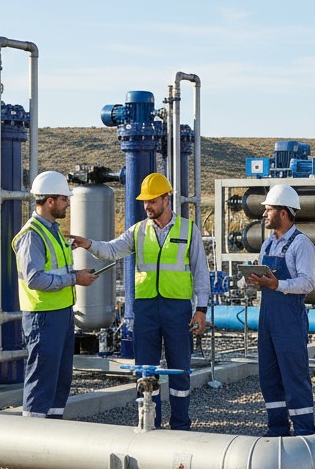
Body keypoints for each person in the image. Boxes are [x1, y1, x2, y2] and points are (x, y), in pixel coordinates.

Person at [70, 172, 208, 431]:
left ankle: (181, 427)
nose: (147, 206)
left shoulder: (189, 230)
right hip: (145, 311)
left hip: (177, 310)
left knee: (180, 370)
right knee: (146, 371)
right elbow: (112, 249)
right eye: (145, 202)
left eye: (152, 201)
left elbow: (201, 272)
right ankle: (149, 424)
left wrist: (200, 310)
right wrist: (89, 244)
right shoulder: (139, 231)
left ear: (166, 199)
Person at [12, 171, 98, 419]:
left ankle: (53, 433)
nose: (68, 203)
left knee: (60, 381)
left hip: (61, 314)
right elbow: (35, 278)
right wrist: (75, 278)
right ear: (50, 201)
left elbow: (56, 268)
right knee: (41, 381)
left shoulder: (52, 231)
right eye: (64, 199)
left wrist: (77, 273)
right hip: (43, 317)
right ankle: (32, 444)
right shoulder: (32, 235)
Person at [244, 184, 315, 436]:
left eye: (268, 209)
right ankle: (277, 429)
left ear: (284, 212)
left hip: (288, 320)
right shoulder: (267, 246)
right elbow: (265, 281)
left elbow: (308, 282)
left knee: (294, 375)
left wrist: (278, 284)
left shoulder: (301, 244)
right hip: (267, 318)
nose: (264, 214)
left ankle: (304, 431)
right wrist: (253, 280)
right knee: (269, 375)